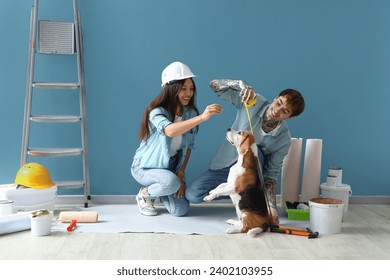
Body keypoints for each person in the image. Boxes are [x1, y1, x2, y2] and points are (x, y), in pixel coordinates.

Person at [185, 79, 305, 224]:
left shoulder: (284, 139)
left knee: (255, 148)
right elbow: (214, 85)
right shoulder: (253, 101)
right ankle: (236, 189)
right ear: (275, 98)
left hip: (250, 176)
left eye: (285, 111)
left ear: (289, 117)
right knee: (193, 195)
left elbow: (270, 175)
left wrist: (271, 210)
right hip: (224, 167)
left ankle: (243, 189)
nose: (278, 110)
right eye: (279, 102)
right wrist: (239, 84)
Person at [131, 61, 222, 217]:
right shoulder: (156, 112)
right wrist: (202, 117)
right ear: (171, 89)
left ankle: (164, 185)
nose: (189, 93)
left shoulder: (190, 113)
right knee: (170, 183)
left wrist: (180, 172)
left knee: (180, 210)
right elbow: (170, 131)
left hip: (171, 167)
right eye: (183, 89)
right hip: (145, 167)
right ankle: (145, 194)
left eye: (191, 88)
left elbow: (188, 146)